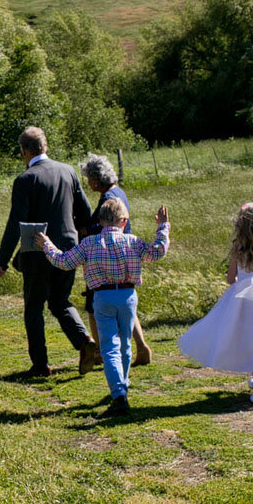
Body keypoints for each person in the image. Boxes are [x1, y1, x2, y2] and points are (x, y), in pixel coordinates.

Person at [37, 198, 170, 416]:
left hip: (102, 296)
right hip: (127, 295)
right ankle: (122, 386)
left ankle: (119, 395)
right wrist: (162, 226)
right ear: (124, 221)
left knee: (109, 347)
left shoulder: (89, 243)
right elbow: (157, 251)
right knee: (125, 343)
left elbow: (64, 262)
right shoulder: (132, 241)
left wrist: (47, 244)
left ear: (100, 221)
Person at [0, 127, 99, 376]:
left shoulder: (25, 180)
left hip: (37, 251)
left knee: (34, 307)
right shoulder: (68, 171)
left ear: (24, 151)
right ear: (45, 146)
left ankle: (40, 365)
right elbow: (85, 212)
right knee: (60, 301)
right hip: (69, 248)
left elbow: (15, 224)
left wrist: (2, 261)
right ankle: (85, 341)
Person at [177, 203, 253, 406]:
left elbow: (231, 278)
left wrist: (244, 281)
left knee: (246, 338)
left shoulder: (238, 249)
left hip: (245, 299)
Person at [80, 153, 152, 366]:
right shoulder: (119, 192)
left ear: (96, 179)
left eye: (89, 178)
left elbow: (101, 226)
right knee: (126, 305)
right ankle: (142, 347)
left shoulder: (108, 198)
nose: (88, 183)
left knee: (94, 306)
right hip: (124, 254)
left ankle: (102, 352)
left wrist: (85, 230)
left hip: (105, 257)